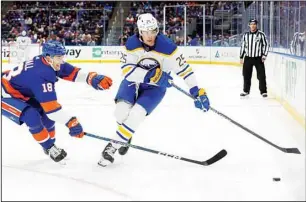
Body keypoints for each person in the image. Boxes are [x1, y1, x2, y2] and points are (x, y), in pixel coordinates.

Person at [97, 13, 210, 167]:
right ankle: (125, 135)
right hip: (133, 82)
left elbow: (184, 70)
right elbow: (127, 71)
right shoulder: (131, 43)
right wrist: (152, 75)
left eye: (153, 31)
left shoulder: (168, 47)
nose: (150, 36)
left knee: (136, 115)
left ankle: (112, 147)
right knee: (120, 113)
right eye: (146, 32)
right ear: (140, 31)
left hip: (156, 89)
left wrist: (197, 91)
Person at [1, 40, 113, 163]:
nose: (61, 60)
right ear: (48, 58)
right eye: (59, 57)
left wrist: (91, 78)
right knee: (31, 116)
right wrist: (71, 123)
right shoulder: (42, 74)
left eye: (62, 57)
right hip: (4, 94)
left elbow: (72, 72)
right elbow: (52, 110)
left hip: (19, 92)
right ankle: (49, 147)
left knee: (46, 116)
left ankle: (50, 144)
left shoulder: (50, 62)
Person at [239, 19, 269, 98]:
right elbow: (243, 46)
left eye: (254, 24)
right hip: (248, 58)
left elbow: (266, 45)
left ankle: (263, 91)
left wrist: (264, 55)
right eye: (251, 24)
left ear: (256, 25)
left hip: (258, 58)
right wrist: (241, 57)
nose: (253, 25)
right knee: (246, 75)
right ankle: (246, 91)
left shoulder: (261, 35)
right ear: (249, 25)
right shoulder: (246, 35)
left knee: (261, 75)